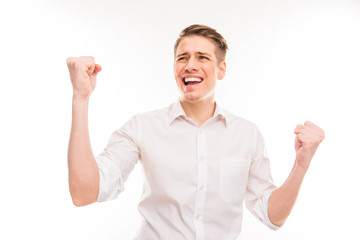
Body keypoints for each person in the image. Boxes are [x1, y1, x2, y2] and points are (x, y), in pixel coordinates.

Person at [66, 24, 325, 239]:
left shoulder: (247, 135)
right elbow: (84, 193)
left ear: (221, 69)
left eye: (202, 57)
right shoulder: (141, 128)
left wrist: (301, 165)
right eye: (182, 57)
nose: (190, 65)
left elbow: (272, 215)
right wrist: (81, 98)